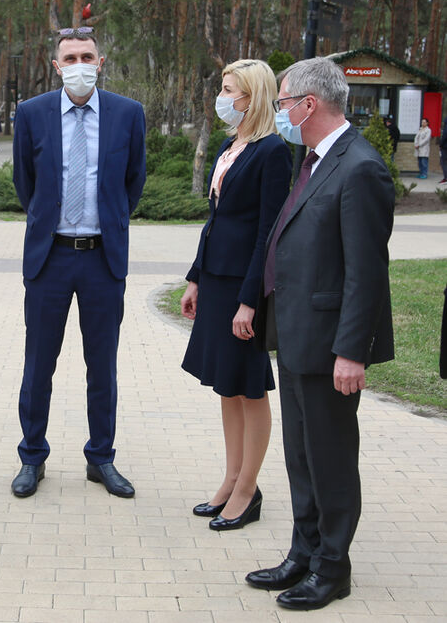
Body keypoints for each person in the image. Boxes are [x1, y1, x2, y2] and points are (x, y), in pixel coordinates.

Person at [249, 57, 394, 611]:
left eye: (284, 101)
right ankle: (302, 554)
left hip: (331, 345)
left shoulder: (360, 167)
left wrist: (351, 352)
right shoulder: (312, 160)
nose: (280, 111)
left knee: (330, 459)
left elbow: (366, 271)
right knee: (301, 457)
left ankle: (333, 568)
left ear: (309, 104)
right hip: (296, 337)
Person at [10, 28, 146, 498]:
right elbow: (25, 183)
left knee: (101, 365)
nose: (79, 64)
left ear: (101, 61)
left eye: (87, 56)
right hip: (49, 258)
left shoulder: (128, 114)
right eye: (70, 57)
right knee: (38, 364)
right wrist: (52, 224)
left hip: (101, 261)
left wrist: (105, 223)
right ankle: (32, 457)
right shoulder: (31, 114)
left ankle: (101, 458)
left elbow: (133, 182)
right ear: (56, 65)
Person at [180, 59, 291, 531]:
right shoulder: (231, 145)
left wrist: (251, 300)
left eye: (230, 91)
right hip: (217, 279)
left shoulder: (272, 152)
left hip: (244, 286)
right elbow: (215, 220)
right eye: (223, 89)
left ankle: (248, 489)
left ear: (254, 96)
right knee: (226, 383)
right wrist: (195, 277)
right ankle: (230, 479)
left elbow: (267, 232)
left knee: (249, 384)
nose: (223, 99)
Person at [440, 114, 447, 184]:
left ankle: (446, 178)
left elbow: (445, 135)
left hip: (445, 147)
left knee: (443, 162)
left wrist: (441, 144)